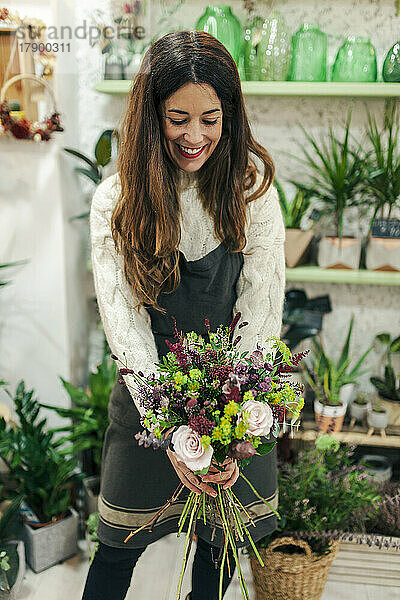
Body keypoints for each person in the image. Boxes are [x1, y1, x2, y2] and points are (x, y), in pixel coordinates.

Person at [81, 29, 286, 600]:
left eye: (210, 118)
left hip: (232, 399)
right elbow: (125, 326)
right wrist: (171, 429)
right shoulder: (116, 201)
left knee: (219, 548)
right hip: (150, 400)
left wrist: (227, 430)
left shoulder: (253, 190)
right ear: (151, 115)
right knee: (116, 548)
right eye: (177, 118)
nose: (195, 136)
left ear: (231, 114)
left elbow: (261, 311)